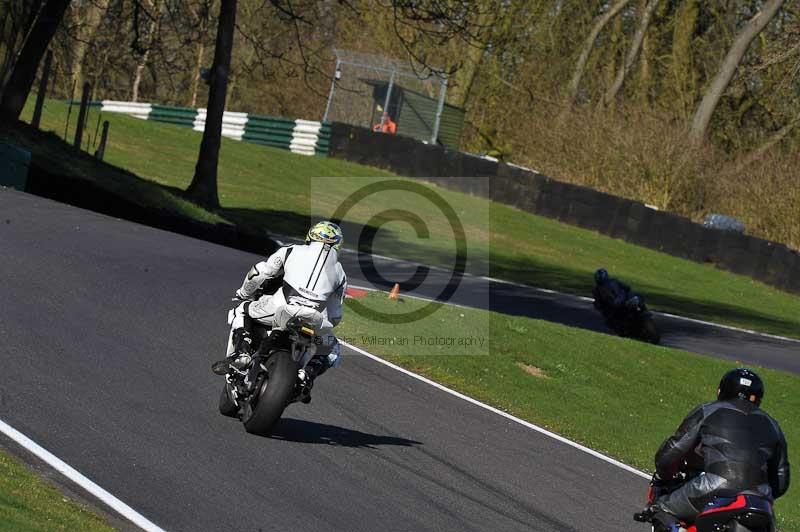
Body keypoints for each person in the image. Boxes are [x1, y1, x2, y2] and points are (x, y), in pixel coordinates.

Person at [214, 221, 347, 402]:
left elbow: (259, 273)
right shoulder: (340, 272)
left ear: (310, 236)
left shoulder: (291, 250)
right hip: (313, 319)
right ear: (338, 244)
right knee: (333, 348)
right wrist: (324, 321)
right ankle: (307, 375)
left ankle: (242, 352)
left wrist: (243, 293)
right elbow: (335, 313)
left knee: (242, 310)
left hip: (281, 307)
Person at [648, 368, 790, 525]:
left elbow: (671, 453)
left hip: (714, 488)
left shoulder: (708, 410)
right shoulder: (773, 425)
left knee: (661, 509)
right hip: (760, 502)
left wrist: (663, 476)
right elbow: (781, 481)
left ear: (721, 390)